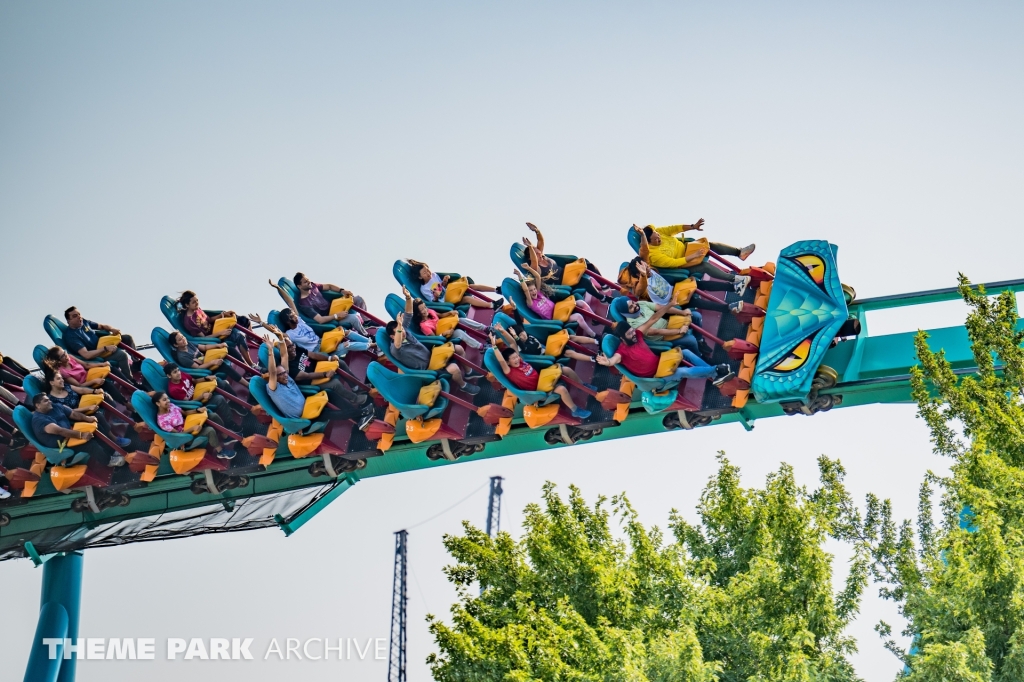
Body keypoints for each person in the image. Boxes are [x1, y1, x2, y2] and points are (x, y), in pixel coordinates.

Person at [597, 302, 734, 387]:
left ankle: (714, 374)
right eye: (629, 334)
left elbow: (654, 318)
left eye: (632, 331)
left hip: (661, 361)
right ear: (622, 338)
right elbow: (613, 361)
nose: (633, 334)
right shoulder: (621, 352)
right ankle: (716, 370)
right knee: (681, 371)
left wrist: (669, 305)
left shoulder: (637, 334)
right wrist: (607, 361)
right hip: (656, 375)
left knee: (685, 352)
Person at [265, 325, 376, 429]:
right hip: (303, 416)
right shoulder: (274, 388)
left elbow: (284, 355)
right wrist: (270, 351)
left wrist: (280, 336)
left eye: (284, 372)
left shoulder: (286, 376)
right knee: (327, 412)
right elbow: (274, 371)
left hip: (308, 403)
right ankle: (362, 413)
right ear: (274, 377)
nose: (284, 375)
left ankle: (359, 416)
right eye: (280, 374)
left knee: (331, 394)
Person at [385, 295, 480, 395]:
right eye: (399, 331)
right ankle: (463, 385)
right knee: (454, 369)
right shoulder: (395, 350)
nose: (403, 332)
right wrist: (400, 325)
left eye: (402, 329)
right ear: (392, 336)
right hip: (428, 368)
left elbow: (409, 313)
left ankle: (469, 372)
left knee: (459, 348)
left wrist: (408, 298)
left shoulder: (405, 332)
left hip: (433, 355)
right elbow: (398, 343)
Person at [489, 334, 591, 419]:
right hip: (539, 391)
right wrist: (494, 346)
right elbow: (501, 360)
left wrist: (502, 331)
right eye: (513, 359)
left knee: (566, 369)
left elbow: (513, 343)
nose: (516, 359)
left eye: (516, 356)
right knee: (562, 389)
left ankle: (582, 386)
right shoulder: (509, 371)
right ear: (508, 362)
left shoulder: (520, 361)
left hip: (543, 380)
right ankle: (575, 410)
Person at [638, 222, 753, 295]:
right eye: (656, 240)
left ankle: (739, 252)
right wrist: (694, 256)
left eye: (658, 236)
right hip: (682, 265)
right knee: (704, 266)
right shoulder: (653, 255)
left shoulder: (658, 232)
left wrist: (693, 226)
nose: (659, 239)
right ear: (648, 243)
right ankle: (736, 280)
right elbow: (673, 262)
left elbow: (674, 228)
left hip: (688, 248)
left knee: (709, 245)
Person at [265, 280, 373, 358]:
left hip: (322, 341)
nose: (295, 316)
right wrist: (261, 322)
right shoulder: (290, 334)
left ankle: (370, 341)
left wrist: (278, 288)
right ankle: (372, 345)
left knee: (345, 331)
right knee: (346, 345)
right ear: (288, 320)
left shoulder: (300, 321)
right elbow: (276, 331)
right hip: (318, 350)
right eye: (293, 316)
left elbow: (290, 302)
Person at [522, 222, 618, 301]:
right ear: (531, 257)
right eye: (535, 251)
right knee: (585, 281)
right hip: (562, 282)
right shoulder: (535, 267)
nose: (538, 251)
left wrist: (537, 231)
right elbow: (534, 259)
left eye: (537, 249)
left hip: (567, 271)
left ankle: (604, 285)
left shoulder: (543, 256)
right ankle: (603, 298)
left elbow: (541, 242)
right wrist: (530, 246)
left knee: (588, 265)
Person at [29, 393, 124, 466]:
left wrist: (87, 418)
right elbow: (60, 431)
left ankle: (112, 450)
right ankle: (108, 461)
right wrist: (81, 435)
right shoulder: (39, 420)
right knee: (90, 444)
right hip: (61, 444)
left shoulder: (54, 406)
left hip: (68, 433)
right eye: (46, 401)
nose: (49, 401)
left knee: (96, 427)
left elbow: (73, 414)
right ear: (38, 405)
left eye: (49, 399)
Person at [44, 372, 132, 448]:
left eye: (62, 378)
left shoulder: (66, 387)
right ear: (52, 382)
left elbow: (81, 390)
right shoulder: (52, 400)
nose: (62, 380)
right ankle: (114, 440)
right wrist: (88, 408)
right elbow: (70, 412)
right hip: (74, 416)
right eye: (59, 379)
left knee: (104, 395)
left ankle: (117, 418)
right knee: (98, 417)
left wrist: (95, 391)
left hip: (83, 407)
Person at [176, 290, 255, 368]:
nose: (197, 303)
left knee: (243, 321)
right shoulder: (189, 322)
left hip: (217, 328)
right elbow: (203, 338)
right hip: (214, 339)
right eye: (194, 302)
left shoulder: (197, 309)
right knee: (238, 336)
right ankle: (250, 367)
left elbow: (209, 319)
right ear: (187, 305)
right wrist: (221, 333)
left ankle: (252, 349)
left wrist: (223, 314)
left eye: (197, 300)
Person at [516, 265, 598, 337]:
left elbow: (537, 277)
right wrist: (519, 275)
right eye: (531, 291)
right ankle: (593, 334)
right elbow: (526, 290)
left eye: (534, 289)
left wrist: (528, 268)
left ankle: (595, 318)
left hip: (559, 308)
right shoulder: (530, 303)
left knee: (581, 302)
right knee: (578, 317)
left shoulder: (539, 293)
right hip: (555, 317)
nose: (533, 291)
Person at [62, 306, 138, 384]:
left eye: (79, 314)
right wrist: (105, 348)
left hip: (103, 342)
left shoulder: (83, 322)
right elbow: (86, 355)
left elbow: (101, 326)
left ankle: (136, 362)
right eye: (75, 316)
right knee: (122, 355)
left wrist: (111, 329)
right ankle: (129, 380)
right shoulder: (71, 336)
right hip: (98, 354)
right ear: (69, 321)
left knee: (128, 338)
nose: (79, 317)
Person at [491, 311, 598, 364]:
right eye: (519, 336)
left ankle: (596, 341)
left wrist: (514, 308)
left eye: (523, 332)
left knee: (570, 337)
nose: (523, 335)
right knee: (569, 353)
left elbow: (519, 322)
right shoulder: (521, 346)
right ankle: (592, 358)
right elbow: (514, 342)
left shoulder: (526, 334)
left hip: (550, 345)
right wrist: (505, 332)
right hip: (547, 355)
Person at [151, 391, 235, 459]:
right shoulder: (162, 421)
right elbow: (176, 435)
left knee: (213, 416)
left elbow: (186, 413)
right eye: (164, 400)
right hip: (186, 436)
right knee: (209, 430)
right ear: (158, 404)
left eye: (168, 398)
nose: (168, 401)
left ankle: (225, 437)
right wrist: (192, 428)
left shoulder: (171, 406)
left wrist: (198, 410)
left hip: (190, 423)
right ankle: (220, 452)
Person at [292, 272, 370, 334]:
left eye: (308, 279)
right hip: (331, 318)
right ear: (299, 286)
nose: (309, 282)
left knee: (359, 299)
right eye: (305, 282)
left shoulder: (313, 286)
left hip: (335, 306)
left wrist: (342, 290)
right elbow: (320, 320)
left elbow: (329, 286)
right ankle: (366, 335)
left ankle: (367, 322)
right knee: (354, 318)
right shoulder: (304, 304)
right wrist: (337, 315)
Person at [407, 259, 503, 309]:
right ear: (420, 277)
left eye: (428, 270)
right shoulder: (424, 289)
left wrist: (445, 280)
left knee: (470, 286)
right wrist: (436, 296)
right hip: (446, 301)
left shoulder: (434, 275)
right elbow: (433, 301)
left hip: (451, 291)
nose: (428, 273)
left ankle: (497, 290)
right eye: (425, 273)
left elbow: (442, 286)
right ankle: (491, 305)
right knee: (467, 299)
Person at [620, 298, 702, 354]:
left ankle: (700, 340)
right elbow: (656, 332)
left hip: (668, 323)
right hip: (663, 337)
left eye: (633, 302)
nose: (635, 305)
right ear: (626, 313)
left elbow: (661, 308)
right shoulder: (633, 325)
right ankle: (699, 355)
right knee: (691, 340)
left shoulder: (640, 304)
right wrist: (679, 331)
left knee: (696, 316)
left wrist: (682, 312)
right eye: (631, 307)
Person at [163, 362, 234, 425]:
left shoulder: (182, 374)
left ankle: (235, 404)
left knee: (222, 383)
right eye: (175, 372)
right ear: (169, 376)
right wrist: (202, 396)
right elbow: (189, 403)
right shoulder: (174, 390)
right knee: (219, 399)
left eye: (178, 370)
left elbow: (195, 381)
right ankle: (230, 423)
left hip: (200, 392)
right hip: (197, 404)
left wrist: (206, 378)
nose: (178, 373)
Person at [411, 297, 486, 350]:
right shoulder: (424, 326)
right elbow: (434, 338)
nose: (425, 310)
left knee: (461, 320)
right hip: (445, 336)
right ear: (418, 313)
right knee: (459, 333)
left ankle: (485, 328)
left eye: (425, 307)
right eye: (422, 309)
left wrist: (450, 313)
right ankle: (481, 347)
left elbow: (441, 315)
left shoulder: (430, 311)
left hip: (448, 324)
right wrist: (445, 333)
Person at [43, 346, 121, 397]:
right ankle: (126, 403)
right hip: (86, 384)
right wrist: (94, 381)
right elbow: (79, 385)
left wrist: (102, 364)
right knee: (107, 384)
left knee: (111, 369)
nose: (66, 355)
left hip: (89, 375)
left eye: (65, 352)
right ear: (58, 361)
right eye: (62, 356)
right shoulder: (62, 372)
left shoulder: (70, 357)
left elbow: (86, 365)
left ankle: (130, 385)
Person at [168, 331, 243, 382]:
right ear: (176, 345)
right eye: (180, 339)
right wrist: (212, 362)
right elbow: (198, 368)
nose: (183, 339)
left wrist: (218, 345)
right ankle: (247, 384)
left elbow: (204, 347)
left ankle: (247, 367)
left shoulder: (188, 344)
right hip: (205, 368)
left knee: (229, 349)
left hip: (207, 358)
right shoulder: (182, 357)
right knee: (223, 366)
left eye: (183, 337)